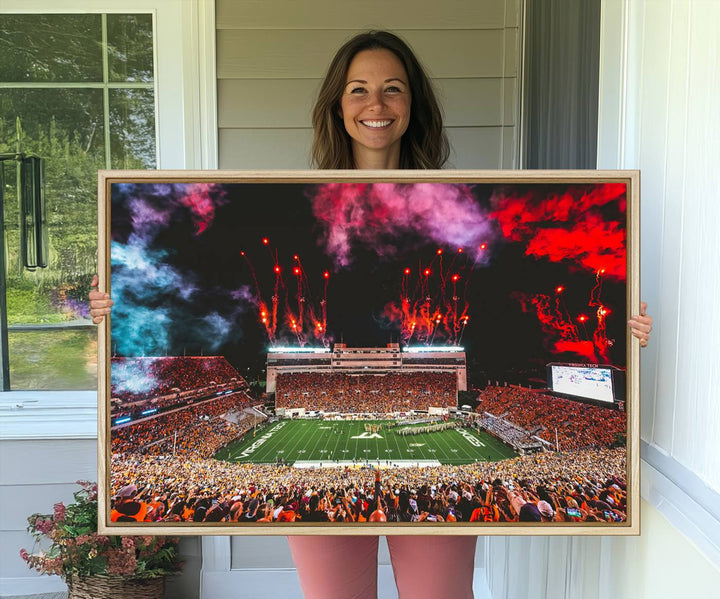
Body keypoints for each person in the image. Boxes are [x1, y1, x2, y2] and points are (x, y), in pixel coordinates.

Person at [90, 30, 653, 599]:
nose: (376, 105)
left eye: (393, 89)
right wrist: (111, 306)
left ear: (413, 105)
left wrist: (623, 331)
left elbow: (512, 295)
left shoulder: (459, 199)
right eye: (358, 89)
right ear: (338, 104)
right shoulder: (296, 201)